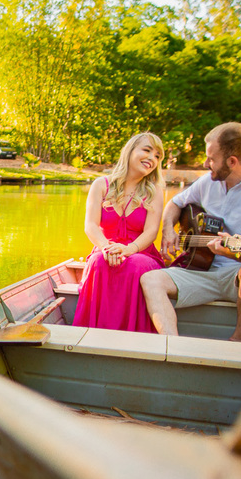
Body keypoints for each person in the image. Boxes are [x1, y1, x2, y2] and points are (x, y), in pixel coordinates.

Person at [140, 122, 241, 342]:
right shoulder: (207, 182)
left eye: (211, 158)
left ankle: (238, 341)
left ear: (232, 161)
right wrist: (168, 229)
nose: (205, 163)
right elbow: (175, 204)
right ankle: (172, 345)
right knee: (151, 279)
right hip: (203, 270)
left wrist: (228, 251)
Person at [72, 132, 166, 333]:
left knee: (136, 265)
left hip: (141, 252)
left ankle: (133, 336)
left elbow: (151, 231)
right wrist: (107, 248)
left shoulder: (155, 190)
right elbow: (91, 225)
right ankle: (93, 335)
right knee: (98, 262)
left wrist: (128, 249)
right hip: (106, 248)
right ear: (130, 151)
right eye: (147, 150)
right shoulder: (101, 185)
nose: (152, 158)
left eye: (158, 156)